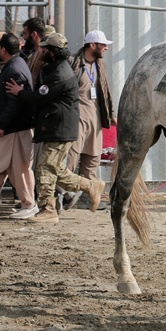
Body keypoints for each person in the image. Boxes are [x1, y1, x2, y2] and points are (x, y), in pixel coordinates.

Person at [8, 32, 105, 224]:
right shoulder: (53, 68)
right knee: (56, 169)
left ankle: (48, 210)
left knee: (44, 168)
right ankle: (91, 186)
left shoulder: (60, 73)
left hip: (59, 127)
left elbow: (40, 97)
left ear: (52, 51)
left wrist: (20, 93)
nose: (41, 51)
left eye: (44, 48)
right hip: (56, 125)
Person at [65, 30, 116, 209]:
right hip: (77, 118)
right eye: (103, 45)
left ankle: (88, 199)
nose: (106, 48)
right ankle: (62, 196)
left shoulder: (99, 66)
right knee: (70, 158)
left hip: (95, 118)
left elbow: (104, 93)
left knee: (92, 159)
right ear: (92, 45)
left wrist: (110, 115)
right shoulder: (73, 63)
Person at [0, 33, 36, 219]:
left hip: (14, 129)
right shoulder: (14, 65)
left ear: (3, 49)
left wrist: (2, 125)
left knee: (19, 168)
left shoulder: (14, 69)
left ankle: (29, 204)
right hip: (11, 128)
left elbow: (15, 103)